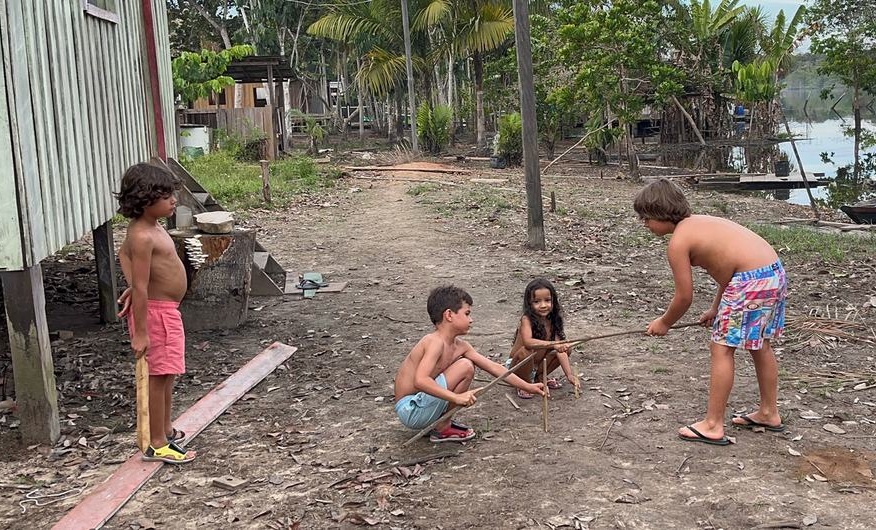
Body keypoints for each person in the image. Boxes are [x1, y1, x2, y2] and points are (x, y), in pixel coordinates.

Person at [635, 179, 787, 446]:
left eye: (646, 218)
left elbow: (684, 297)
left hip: (749, 282)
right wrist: (717, 308)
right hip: (771, 272)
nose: (644, 224)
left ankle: (713, 424)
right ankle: (768, 412)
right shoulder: (699, 223)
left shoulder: (678, 242)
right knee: (760, 344)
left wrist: (664, 323)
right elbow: (728, 270)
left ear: (661, 214)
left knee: (721, 348)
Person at [117, 163, 196, 463]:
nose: (173, 200)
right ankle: (156, 443)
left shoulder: (153, 226)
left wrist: (136, 289)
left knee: (168, 373)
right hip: (156, 316)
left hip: (166, 311)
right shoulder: (142, 235)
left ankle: (165, 428)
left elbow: (125, 258)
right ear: (145, 199)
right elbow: (139, 282)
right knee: (158, 376)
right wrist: (140, 331)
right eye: (166, 195)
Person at [394, 286, 546, 442]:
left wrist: (526, 386)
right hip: (410, 409)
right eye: (467, 314)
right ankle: (442, 427)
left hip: (422, 405)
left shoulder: (461, 346)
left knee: (467, 365)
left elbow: (494, 367)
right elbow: (420, 380)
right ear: (449, 315)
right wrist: (456, 397)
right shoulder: (434, 342)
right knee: (465, 366)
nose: (471, 319)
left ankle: (442, 424)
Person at [506, 278, 579, 399]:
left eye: (547, 300)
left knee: (565, 349)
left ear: (553, 301)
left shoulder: (553, 320)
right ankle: (524, 384)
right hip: (518, 367)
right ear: (529, 303)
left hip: (537, 366)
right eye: (537, 302)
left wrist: (569, 375)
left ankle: (540, 378)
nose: (543, 305)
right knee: (527, 351)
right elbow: (528, 343)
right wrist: (553, 344)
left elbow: (559, 349)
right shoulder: (526, 319)